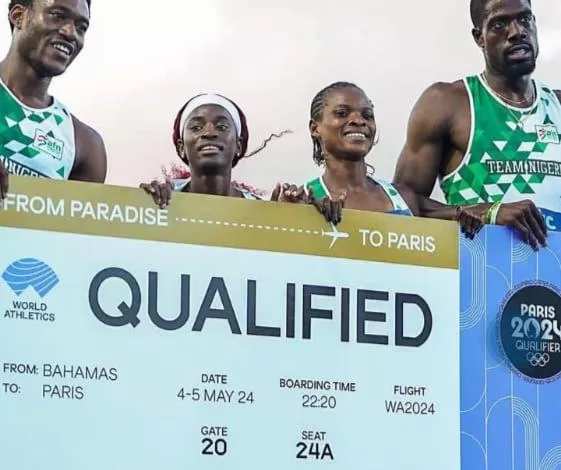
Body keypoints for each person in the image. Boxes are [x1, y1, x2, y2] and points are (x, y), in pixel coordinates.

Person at [393, 0, 556, 249]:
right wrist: (487, 212)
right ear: (479, 37)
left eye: (524, 19)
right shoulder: (448, 103)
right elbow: (399, 204)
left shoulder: (557, 105)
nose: (517, 32)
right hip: (481, 267)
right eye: (500, 24)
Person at [271, 81, 485, 238]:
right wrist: (297, 216)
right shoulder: (305, 200)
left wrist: (467, 221)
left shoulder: (403, 198)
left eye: (367, 115)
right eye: (342, 113)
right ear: (315, 128)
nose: (358, 121)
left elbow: (466, 215)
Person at [0, 0, 107, 199]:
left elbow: (82, 217)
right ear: (18, 16)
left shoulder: (84, 144)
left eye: (81, 27)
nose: (71, 33)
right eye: (57, 16)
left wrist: (153, 205)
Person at [142, 93, 289, 207]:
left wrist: (283, 217)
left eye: (222, 127)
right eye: (196, 127)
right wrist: (143, 202)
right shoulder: (165, 200)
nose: (209, 133)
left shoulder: (259, 209)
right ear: (181, 147)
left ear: (238, 145)